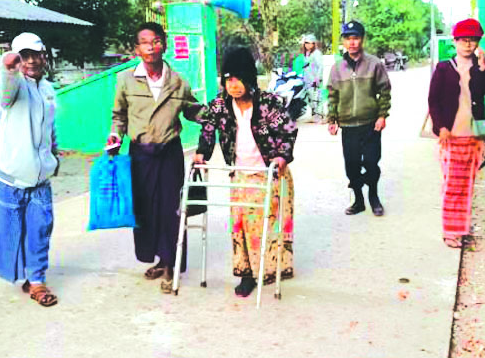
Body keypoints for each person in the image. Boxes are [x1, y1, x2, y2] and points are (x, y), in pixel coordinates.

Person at [193, 48, 298, 298]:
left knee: (267, 226)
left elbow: (288, 131)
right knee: (240, 227)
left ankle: (272, 269)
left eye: (238, 79)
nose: (233, 85)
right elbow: (207, 127)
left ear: (249, 78)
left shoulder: (270, 103)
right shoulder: (220, 105)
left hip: (269, 174)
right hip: (240, 176)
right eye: (228, 80)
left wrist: (282, 155)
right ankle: (247, 274)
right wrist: (202, 153)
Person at [108, 22, 202, 292]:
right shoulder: (126, 80)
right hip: (140, 154)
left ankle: (172, 264)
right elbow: (119, 116)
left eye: (156, 41)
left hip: (169, 152)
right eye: (144, 43)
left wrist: (218, 114)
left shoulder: (178, 81)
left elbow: (193, 109)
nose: (151, 47)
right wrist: (115, 136)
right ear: (137, 49)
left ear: (165, 45)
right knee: (145, 208)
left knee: (171, 209)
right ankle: (160, 259)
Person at [0, 32, 59, 307]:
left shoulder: (48, 89)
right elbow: (5, 90)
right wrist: (9, 66)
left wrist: (54, 156)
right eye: (24, 56)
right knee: (11, 232)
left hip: (40, 176)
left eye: (35, 55)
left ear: (44, 56)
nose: (30, 61)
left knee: (41, 228)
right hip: (10, 174)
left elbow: (50, 127)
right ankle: (23, 276)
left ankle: (37, 280)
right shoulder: (14, 84)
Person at [428, 18, 485, 248]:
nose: (468, 44)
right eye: (463, 40)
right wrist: (441, 127)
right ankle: (450, 232)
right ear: (455, 41)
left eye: (473, 40)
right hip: (451, 135)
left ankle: (462, 228)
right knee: (453, 185)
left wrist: (484, 67)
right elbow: (433, 100)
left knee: (467, 185)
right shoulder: (444, 68)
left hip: (475, 134)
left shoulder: (481, 67)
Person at [326, 20, 392, 217]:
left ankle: (373, 196)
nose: (352, 42)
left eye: (356, 38)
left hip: (370, 124)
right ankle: (359, 200)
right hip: (348, 126)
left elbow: (385, 91)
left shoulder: (374, 64)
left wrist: (382, 115)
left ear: (362, 39)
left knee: (371, 163)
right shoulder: (337, 68)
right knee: (352, 166)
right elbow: (332, 95)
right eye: (348, 38)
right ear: (343, 41)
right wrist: (332, 119)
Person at [299, 34, 324, 118]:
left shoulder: (316, 53)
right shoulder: (306, 54)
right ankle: (314, 115)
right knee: (309, 98)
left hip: (314, 81)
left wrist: (317, 78)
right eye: (306, 43)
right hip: (307, 80)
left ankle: (319, 116)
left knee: (316, 98)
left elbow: (320, 66)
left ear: (314, 44)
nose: (308, 45)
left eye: (310, 43)